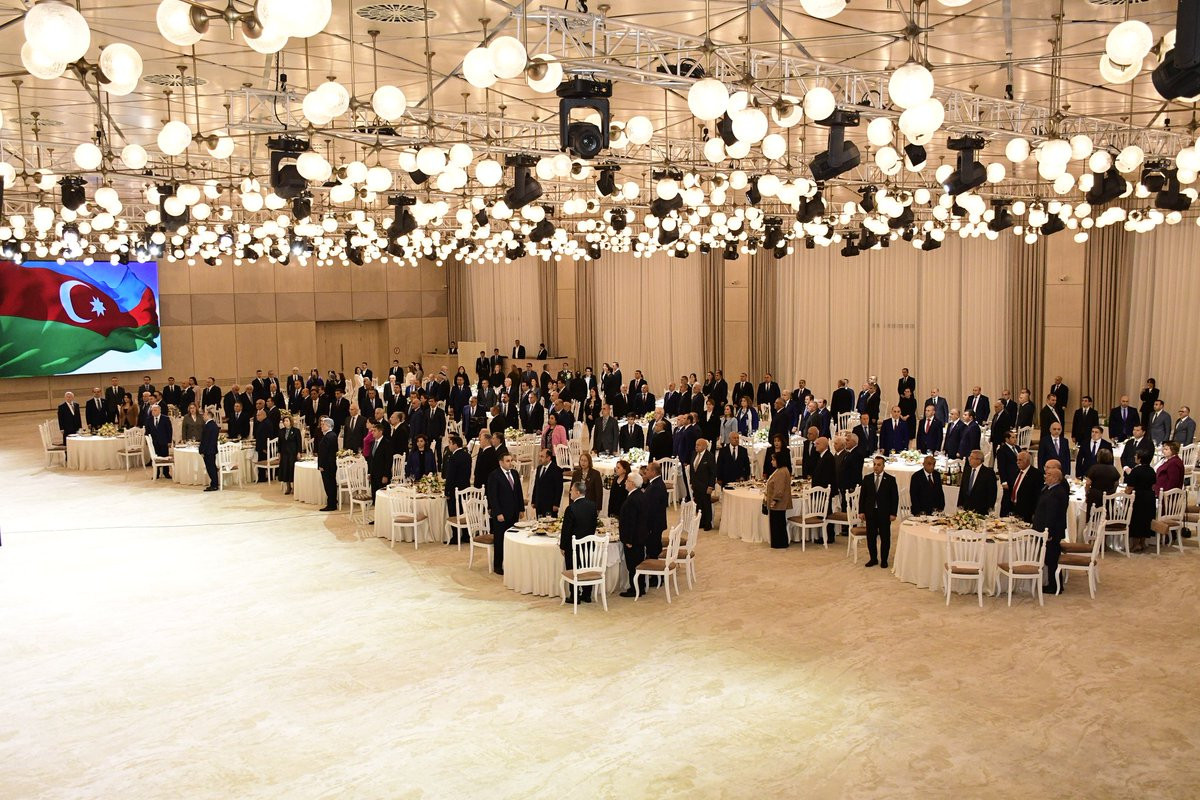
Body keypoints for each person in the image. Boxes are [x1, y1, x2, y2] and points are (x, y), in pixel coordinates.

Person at [558, 480, 600, 600]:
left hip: (573, 547)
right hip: (588, 545)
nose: (570, 492)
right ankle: (587, 595)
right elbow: (593, 525)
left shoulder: (571, 508)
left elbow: (566, 530)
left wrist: (563, 546)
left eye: (571, 490)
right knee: (586, 568)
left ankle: (574, 595)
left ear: (577, 492)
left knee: (573, 569)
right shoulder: (592, 506)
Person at [1034, 459, 1070, 593]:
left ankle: (1055, 586)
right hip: (1048, 530)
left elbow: (1052, 514)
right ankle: (1052, 583)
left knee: (1052, 559)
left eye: (1049, 475)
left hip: (1052, 532)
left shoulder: (1057, 492)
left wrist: (1048, 532)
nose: (1045, 476)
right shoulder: (1049, 489)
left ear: (1055, 478)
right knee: (1049, 558)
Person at [487, 452, 525, 574]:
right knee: (500, 540)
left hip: (513, 512)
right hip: (501, 514)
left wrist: (521, 509)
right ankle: (498, 566)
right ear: (501, 462)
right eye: (507, 461)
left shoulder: (514, 473)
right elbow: (493, 497)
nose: (510, 463)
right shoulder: (494, 475)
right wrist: (498, 513)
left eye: (511, 460)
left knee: (513, 538)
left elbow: (519, 492)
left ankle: (510, 563)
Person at [859, 456, 898, 568]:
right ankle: (873, 558)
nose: (876, 467)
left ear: (883, 466)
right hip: (870, 512)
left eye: (879, 465)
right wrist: (861, 511)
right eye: (874, 464)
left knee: (885, 537)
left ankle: (884, 560)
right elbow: (863, 497)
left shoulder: (890, 479)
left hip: (884, 513)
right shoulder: (867, 478)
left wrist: (893, 513)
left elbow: (894, 498)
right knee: (871, 537)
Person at [617, 471, 650, 597]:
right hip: (640, 537)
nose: (625, 483)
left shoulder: (632, 499)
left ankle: (635, 589)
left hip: (633, 539)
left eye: (627, 481)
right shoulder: (641, 495)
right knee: (638, 563)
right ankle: (640, 586)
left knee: (633, 565)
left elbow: (631, 522)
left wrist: (628, 540)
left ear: (632, 483)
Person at [1125, 449, 1157, 553]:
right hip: (1149, 496)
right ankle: (1142, 543)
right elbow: (1153, 484)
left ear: (1140, 459)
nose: (1135, 457)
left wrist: (1125, 493)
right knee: (1146, 520)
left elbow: (1130, 487)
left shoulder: (1136, 470)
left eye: (1136, 456)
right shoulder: (1151, 470)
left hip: (1138, 497)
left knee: (1136, 520)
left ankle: (1135, 544)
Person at [1004, 450, 1043, 523]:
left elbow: (1037, 495)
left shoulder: (1036, 474)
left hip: (1027, 510)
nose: (1017, 462)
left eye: (1020, 460)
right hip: (1013, 508)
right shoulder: (1016, 472)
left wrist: (1035, 512)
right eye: (1017, 460)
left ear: (1027, 461)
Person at [686, 438, 716, 529]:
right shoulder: (694, 454)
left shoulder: (709, 456)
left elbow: (713, 472)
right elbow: (692, 470)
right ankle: (701, 521)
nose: (696, 447)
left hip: (705, 484)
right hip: (696, 484)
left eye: (698, 445)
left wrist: (711, 486)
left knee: (706, 504)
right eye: (696, 445)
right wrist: (691, 482)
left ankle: (708, 523)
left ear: (704, 446)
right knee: (699, 503)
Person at [642, 461, 669, 558]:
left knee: (653, 550)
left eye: (647, 469)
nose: (645, 471)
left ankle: (654, 566)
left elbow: (652, 508)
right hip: (656, 523)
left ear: (653, 472)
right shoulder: (655, 483)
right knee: (654, 548)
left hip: (654, 525)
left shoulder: (656, 487)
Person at [958, 450, 997, 514]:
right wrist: (960, 503)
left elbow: (992, 492)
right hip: (966, 507)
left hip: (981, 508)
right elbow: (962, 488)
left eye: (972, 457)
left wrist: (990, 506)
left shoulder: (988, 473)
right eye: (969, 457)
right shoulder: (967, 470)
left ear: (979, 460)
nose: (969, 459)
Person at [764, 463, 793, 549]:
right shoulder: (782, 470)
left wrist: (775, 500)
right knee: (779, 523)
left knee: (777, 524)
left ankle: (779, 543)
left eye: (773, 460)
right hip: (779, 503)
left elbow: (779, 488)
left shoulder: (781, 472)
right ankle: (780, 543)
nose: (771, 462)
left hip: (778, 503)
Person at [530, 448, 565, 518]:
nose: (540, 459)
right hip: (539, 504)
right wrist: (533, 501)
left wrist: (556, 504)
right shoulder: (539, 468)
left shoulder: (556, 470)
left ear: (548, 458)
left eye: (542, 456)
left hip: (550, 504)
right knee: (539, 522)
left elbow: (559, 488)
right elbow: (536, 485)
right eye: (539, 456)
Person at [1083, 448, 1119, 513]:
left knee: (1091, 515)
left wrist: (1087, 493)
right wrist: (1112, 492)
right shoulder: (1113, 469)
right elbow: (1116, 483)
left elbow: (1088, 483)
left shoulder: (1094, 468)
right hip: (1108, 497)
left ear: (1099, 457)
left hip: (1095, 496)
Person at [317, 418, 339, 511]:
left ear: (328, 425)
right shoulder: (331, 435)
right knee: (330, 484)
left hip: (327, 465)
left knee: (329, 485)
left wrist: (321, 465)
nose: (321, 426)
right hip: (329, 464)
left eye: (323, 424)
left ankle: (331, 504)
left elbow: (324, 453)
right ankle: (332, 502)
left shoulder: (329, 436)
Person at [276, 414, 301, 495]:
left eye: (287, 421)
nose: (285, 422)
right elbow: (279, 443)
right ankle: (288, 487)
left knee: (292, 469)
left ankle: (295, 487)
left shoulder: (296, 431)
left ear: (291, 422)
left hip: (293, 453)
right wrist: (279, 453)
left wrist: (299, 452)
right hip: (284, 453)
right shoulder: (281, 431)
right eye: (284, 421)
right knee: (285, 470)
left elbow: (299, 443)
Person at [366, 421, 393, 498]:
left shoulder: (387, 443)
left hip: (382, 474)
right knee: (374, 494)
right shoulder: (373, 442)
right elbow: (371, 459)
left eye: (374, 431)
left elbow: (389, 460)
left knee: (382, 495)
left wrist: (386, 475)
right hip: (373, 474)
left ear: (380, 432)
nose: (372, 433)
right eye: (372, 431)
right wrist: (369, 472)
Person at [147, 405, 173, 479]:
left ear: (159, 411)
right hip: (154, 442)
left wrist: (169, 441)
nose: (153, 412)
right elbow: (147, 431)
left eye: (155, 410)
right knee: (156, 458)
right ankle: (157, 473)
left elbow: (169, 430)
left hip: (164, 441)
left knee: (165, 456)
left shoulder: (165, 419)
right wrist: (148, 441)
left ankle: (166, 473)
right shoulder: (149, 419)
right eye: (152, 410)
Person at [196, 409, 220, 491]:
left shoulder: (208, 426)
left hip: (208, 450)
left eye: (204, 415)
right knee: (212, 467)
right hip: (212, 449)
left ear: (209, 416)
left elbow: (205, 440)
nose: (203, 416)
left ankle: (214, 485)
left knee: (210, 468)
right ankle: (214, 483)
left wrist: (201, 450)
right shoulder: (213, 425)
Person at [252, 409, 276, 482]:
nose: (257, 417)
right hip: (263, 446)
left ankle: (262, 477)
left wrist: (264, 448)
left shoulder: (265, 424)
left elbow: (267, 436)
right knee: (261, 459)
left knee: (261, 460)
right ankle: (266, 476)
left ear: (263, 415)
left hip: (264, 447)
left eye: (258, 415)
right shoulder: (265, 422)